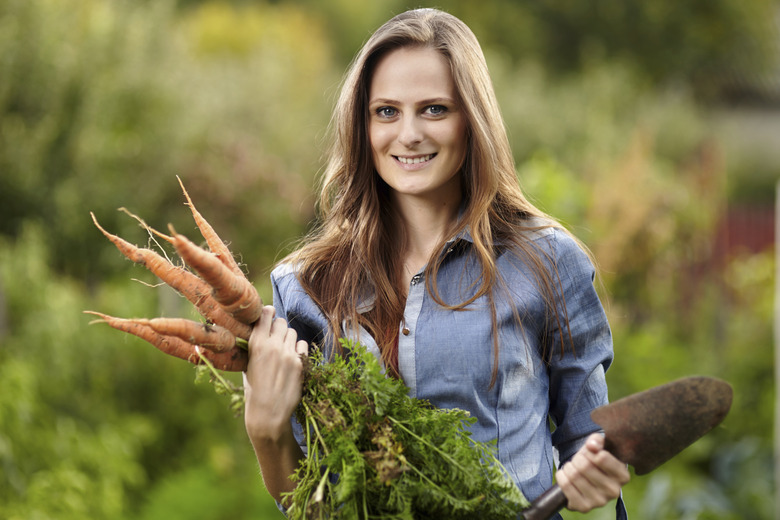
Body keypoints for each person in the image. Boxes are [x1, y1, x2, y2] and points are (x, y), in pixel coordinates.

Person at [242, 7, 630, 519]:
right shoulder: (307, 285)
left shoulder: (546, 261)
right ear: (362, 125)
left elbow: (591, 443)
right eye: (386, 111)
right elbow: (310, 504)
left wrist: (593, 476)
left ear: (472, 120)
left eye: (434, 110)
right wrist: (267, 434)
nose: (408, 134)